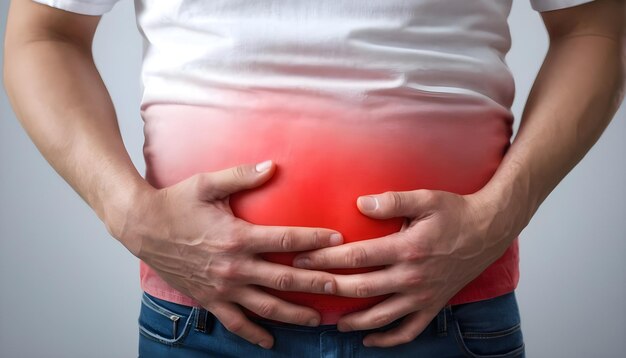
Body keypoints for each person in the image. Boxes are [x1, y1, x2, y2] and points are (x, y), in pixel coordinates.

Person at [3, 0, 624, 356]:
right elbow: (43, 32)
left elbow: (595, 24)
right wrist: (129, 214)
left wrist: (498, 216)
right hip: (203, 326)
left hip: (449, 318)